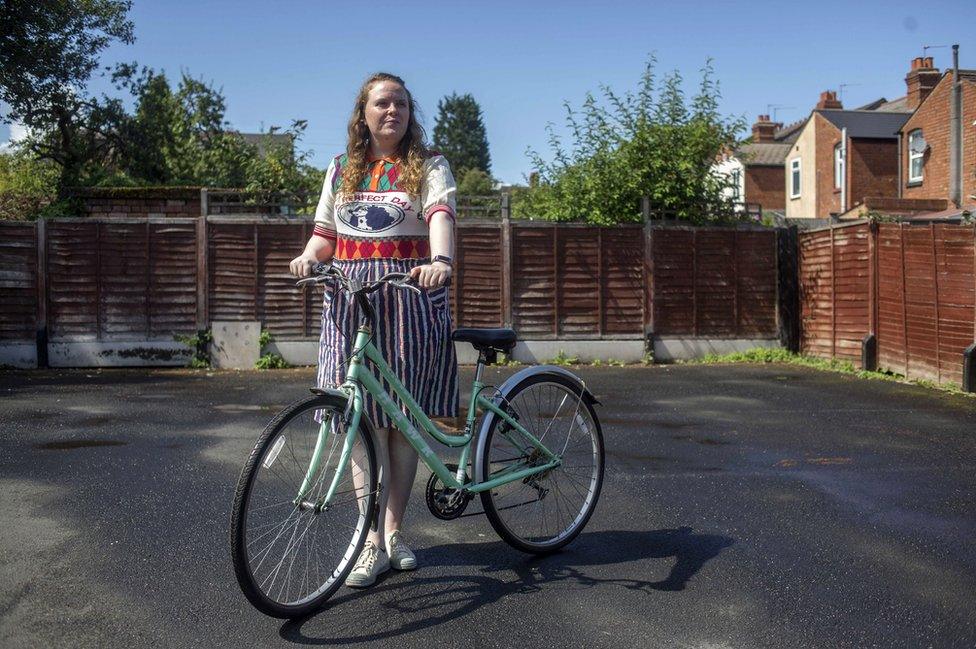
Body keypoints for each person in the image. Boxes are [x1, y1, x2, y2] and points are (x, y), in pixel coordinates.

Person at [289, 72, 459, 588]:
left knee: (401, 423)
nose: (394, 111)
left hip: (409, 294)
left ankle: (392, 533)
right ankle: (368, 540)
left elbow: (440, 215)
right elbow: (325, 236)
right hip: (348, 298)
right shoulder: (341, 169)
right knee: (359, 421)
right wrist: (306, 257)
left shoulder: (428, 166)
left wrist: (441, 260)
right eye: (383, 103)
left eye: (402, 104)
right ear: (363, 113)